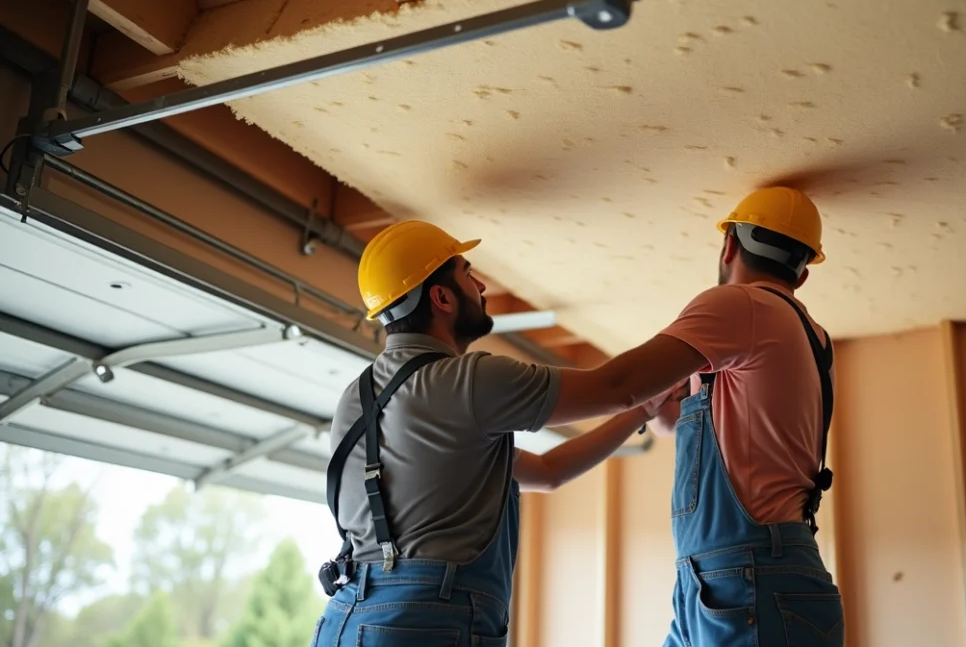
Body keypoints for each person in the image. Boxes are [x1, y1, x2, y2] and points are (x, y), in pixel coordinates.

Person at [311, 219, 700, 647]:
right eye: (467, 273)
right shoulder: (470, 381)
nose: (480, 287)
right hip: (424, 623)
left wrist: (645, 408)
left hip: (345, 622)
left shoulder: (356, 399)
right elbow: (612, 387)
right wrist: (705, 340)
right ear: (441, 297)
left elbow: (549, 471)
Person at [645, 186, 845, 646]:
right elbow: (677, 424)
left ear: (729, 245)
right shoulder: (813, 339)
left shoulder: (738, 305)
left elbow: (620, 386)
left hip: (748, 577)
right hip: (721, 580)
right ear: (803, 273)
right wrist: (664, 401)